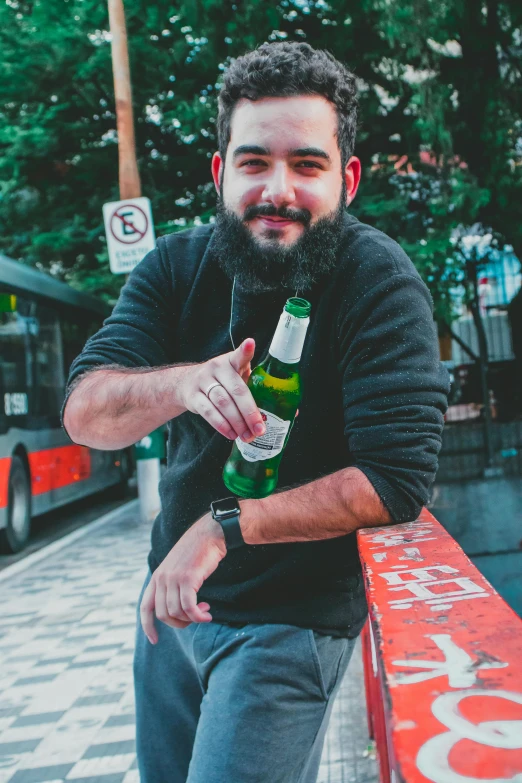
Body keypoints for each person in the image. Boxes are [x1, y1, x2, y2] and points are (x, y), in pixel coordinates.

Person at [63, 41, 449, 783]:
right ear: (219, 173)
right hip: (169, 614)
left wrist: (224, 526)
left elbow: (396, 479)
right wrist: (179, 385)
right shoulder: (176, 268)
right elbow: (86, 412)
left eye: (307, 164)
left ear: (349, 178)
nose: (278, 188)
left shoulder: (377, 280)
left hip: (287, 622)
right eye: (253, 162)